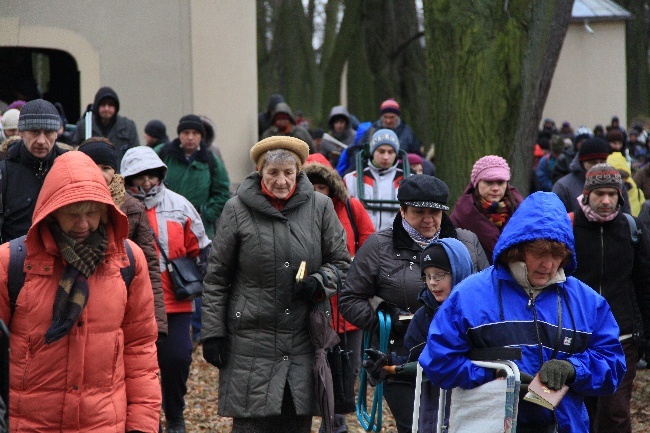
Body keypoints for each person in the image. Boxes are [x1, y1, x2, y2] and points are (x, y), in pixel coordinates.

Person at [419, 191, 627, 433]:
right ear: (517, 249)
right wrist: (497, 377)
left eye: (557, 255)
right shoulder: (469, 295)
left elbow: (612, 363)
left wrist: (573, 369)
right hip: (486, 424)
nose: (548, 265)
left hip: (563, 426)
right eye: (539, 253)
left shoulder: (588, 302)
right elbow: (438, 361)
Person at [0, 151, 161, 432]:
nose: (84, 224)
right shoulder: (12, 263)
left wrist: (142, 425)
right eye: (73, 214)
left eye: (92, 213)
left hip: (102, 423)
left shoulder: (127, 261)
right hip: (28, 424)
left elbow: (141, 352)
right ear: (51, 211)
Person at [200, 136, 351, 433]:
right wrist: (212, 332)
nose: (281, 181)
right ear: (260, 172)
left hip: (302, 339)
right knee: (251, 424)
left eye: (288, 173)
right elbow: (217, 277)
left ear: (299, 173)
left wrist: (319, 283)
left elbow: (342, 263)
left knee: (295, 422)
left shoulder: (320, 207)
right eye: (273, 173)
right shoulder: (236, 209)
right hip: (250, 341)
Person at [339, 174, 489, 433]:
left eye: (435, 212)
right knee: (417, 425)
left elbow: (487, 293)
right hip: (400, 357)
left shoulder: (468, 242)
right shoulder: (378, 246)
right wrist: (383, 319)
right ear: (402, 210)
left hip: (460, 354)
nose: (428, 219)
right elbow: (349, 299)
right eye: (419, 212)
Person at [121, 146, 211, 433]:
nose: (146, 183)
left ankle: (175, 414)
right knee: (136, 365)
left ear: (160, 175)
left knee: (177, 359)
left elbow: (202, 249)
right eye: (139, 177)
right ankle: (144, 422)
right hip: (130, 300)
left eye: (151, 176)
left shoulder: (180, 205)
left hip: (175, 299)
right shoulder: (118, 208)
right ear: (128, 178)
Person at [362, 238, 474, 433]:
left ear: (459, 271)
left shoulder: (479, 311)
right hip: (432, 412)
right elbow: (415, 359)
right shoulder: (424, 315)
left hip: (472, 407)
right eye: (427, 276)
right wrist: (388, 364)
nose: (432, 283)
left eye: (440, 275)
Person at [570, 164, 650, 433]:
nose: (606, 201)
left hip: (622, 336)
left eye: (612, 194)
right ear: (587, 194)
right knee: (584, 409)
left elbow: (644, 282)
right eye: (599, 193)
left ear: (620, 196)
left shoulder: (632, 229)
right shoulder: (569, 228)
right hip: (578, 335)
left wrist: (645, 334)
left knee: (615, 412)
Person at [303, 160, 374, 433]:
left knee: (348, 368)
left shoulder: (351, 208)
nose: (318, 192)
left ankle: (335, 424)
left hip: (347, 306)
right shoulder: (297, 212)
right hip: (312, 304)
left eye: (322, 186)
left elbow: (370, 244)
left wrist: (354, 267)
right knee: (314, 369)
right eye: (312, 186)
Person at [77, 137, 167, 338]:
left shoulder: (133, 208)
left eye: (106, 167)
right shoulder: (65, 203)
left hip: (120, 296)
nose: (99, 173)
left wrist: (157, 321)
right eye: (92, 165)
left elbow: (149, 264)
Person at [0, 99, 68, 243]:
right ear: (21, 132)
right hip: (14, 260)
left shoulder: (69, 168)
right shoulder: (4, 173)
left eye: (48, 132)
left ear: (56, 134)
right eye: (35, 132)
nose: (41, 140)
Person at [156, 114, 230, 240]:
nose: (190, 137)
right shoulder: (162, 154)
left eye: (195, 133)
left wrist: (206, 214)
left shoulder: (211, 160)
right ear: (179, 134)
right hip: (164, 225)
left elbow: (222, 192)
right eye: (186, 132)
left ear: (201, 136)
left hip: (198, 228)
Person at [450, 155, 523, 263]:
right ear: (476, 183)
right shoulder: (462, 215)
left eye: (500, 182)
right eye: (489, 182)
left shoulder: (521, 209)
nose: (495, 188)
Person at [343, 129, 404, 231]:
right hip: (363, 240)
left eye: (391, 152)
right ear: (372, 151)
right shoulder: (351, 179)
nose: (386, 157)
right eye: (381, 151)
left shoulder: (408, 180)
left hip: (396, 241)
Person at [552, 137, 627, 214]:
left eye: (602, 161)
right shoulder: (563, 187)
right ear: (582, 163)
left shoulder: (618, 184)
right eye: (593, 162)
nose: (598, 166)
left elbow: (625, 217)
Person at [71, 86, 140, 166]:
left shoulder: (128, 126)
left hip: (121, 175)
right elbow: (74, 151)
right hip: (91, 174)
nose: (106, 108)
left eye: (110, 105)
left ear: (116, 107)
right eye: (103, 105)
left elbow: (136, 154)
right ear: (97, 107)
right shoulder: (84, 126)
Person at [607, 152, 645, 216]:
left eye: (623, 176)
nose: (620, 181)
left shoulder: (636, 191)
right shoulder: (604, 193)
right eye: (616, 176)